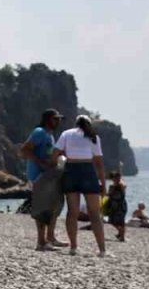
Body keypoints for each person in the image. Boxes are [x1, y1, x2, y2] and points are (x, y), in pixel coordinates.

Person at [51, 116, 108, 257]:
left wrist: (61, 160)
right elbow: (99, 164)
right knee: (95, 213)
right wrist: (103, 184)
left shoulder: (66, 134)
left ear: (75, 123)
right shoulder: (93, 136)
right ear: (88, 124)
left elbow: (54, 154)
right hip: (87, 171)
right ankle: (102, 250)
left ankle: (73, 247)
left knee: (72, 211)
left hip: (71, 170)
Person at [19, 108, 69, 251]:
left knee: (53, 206)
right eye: (56, 119)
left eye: (59, 119)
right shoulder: (39, 132)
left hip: (49, 175)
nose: (58, 121)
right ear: (48, 119)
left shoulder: (50, 135)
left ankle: (50, 238)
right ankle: (41, 242)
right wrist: (41, 163)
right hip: (39, 175)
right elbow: (25, 150)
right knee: (42, 208)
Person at [105, 171, 127, 242]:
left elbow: (124, 186)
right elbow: (108, 195)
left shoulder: (121, 185)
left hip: (120, 205)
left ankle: (122, 235)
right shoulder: (111, 186)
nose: (115, 179)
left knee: (121, 221)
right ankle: (121, 234)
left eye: (117, 178)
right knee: (112, 221)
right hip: (113, 205)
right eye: (115, 178)